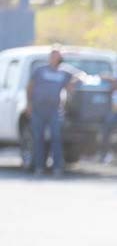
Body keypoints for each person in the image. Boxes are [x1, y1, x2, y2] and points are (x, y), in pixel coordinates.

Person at [26, 48, 78, 177]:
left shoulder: (64, 73)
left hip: (54, 109)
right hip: (38, 109)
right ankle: (39, 167)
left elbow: (78, 77)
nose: (55, 58)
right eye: (53, 56)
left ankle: (57, 167)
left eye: (58, 56)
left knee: (56, 138)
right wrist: (29, 103)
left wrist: (73, 82)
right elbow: (30, 86)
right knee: (38, 138)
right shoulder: (40, 70)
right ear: (50, 57)